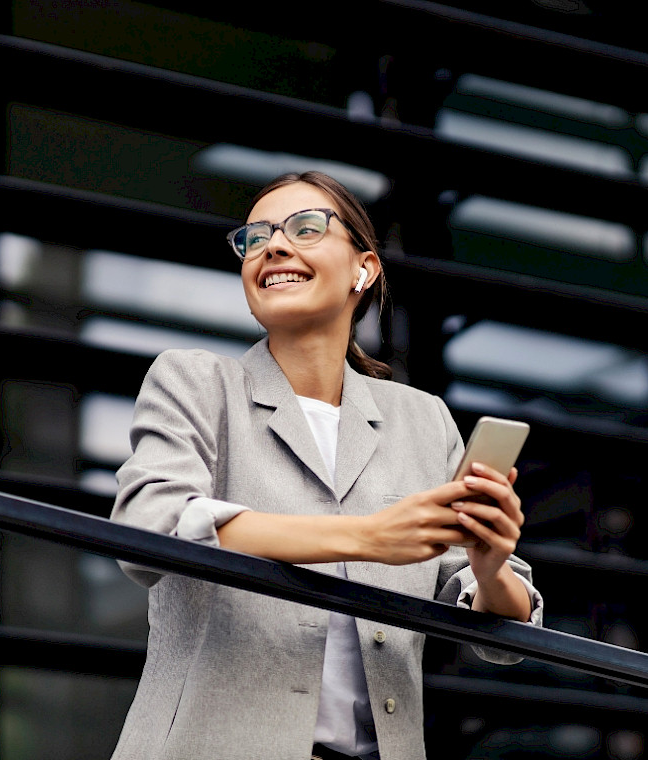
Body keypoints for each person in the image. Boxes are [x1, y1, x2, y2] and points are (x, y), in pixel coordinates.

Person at [109, 171, 544, 760]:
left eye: (305, 228)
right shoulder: (196, 383)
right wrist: (368, 537)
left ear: (364, 269)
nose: (273, 246)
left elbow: (505, 638)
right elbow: (148, 527)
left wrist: (490, 569)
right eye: (255, 237)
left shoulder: (422, 420)